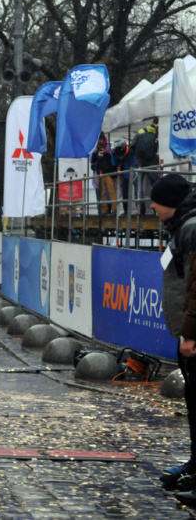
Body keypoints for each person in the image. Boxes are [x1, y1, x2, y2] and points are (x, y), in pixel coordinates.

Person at [152, 174, 196, 503]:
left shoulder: (190, 228)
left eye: (156, 201)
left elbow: (194, 286)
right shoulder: (181, 226)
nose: (152, 207)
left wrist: (190, 332)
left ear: (170, 202)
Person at [131, 117, 159, 215]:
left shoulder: (141, 131)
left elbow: (133, 145)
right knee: (155, 184)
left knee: (137, 185)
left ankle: (140, 209)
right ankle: (157, 208)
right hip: (151, 161)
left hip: (140, 162)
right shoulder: (157, 134)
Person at [90, 133, 116, 215]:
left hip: (108, 173)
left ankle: (114, 208)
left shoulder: (108, 147)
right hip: (100, 173)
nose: (101, 141)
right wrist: (94, 153)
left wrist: (106, 153)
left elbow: (112, 158)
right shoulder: (95, 148)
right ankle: (104, 210)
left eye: (102, 140)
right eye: (99, 140)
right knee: (102, 193)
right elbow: (92, 162)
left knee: (111, 192)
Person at [111, 139, 134, 215]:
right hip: (125, 175)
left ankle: (135, 210)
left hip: (131, 173)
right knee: (125, 193)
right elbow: (114, 163)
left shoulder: (131, 151)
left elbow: (134, 162)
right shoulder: (116, 153)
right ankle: (126, 210)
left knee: (132, 192)